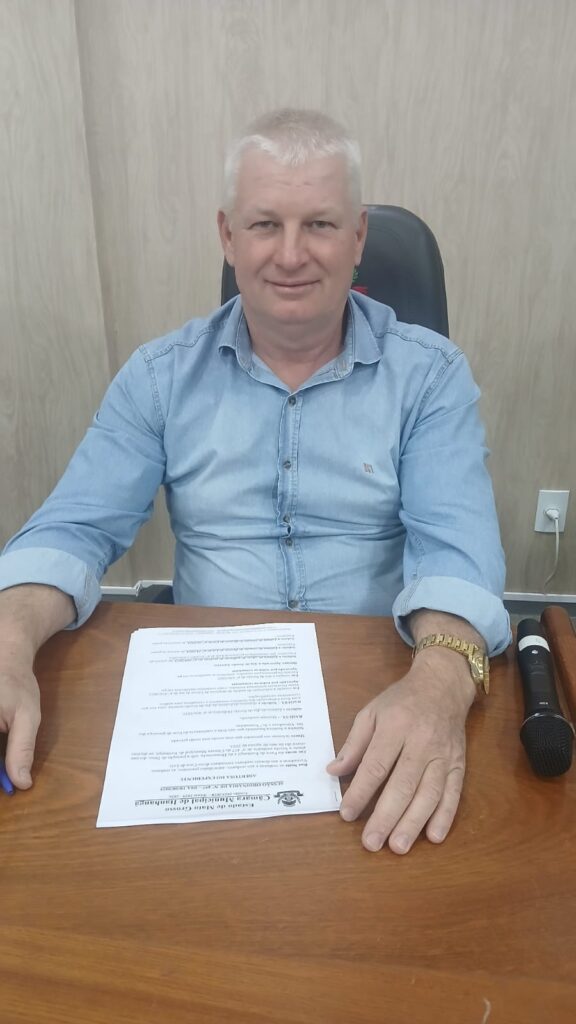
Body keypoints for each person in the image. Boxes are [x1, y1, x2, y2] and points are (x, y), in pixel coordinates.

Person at [0, 108, 510, 854]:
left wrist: (439, 685)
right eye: (266, 224)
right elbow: (73, 528)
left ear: (358, 237)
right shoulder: (159, 377)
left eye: (320, 225)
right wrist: (9, 641)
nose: (291, 254)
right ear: (227, 236)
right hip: (204, 717)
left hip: (380, 695)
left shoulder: (429, 377)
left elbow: (458, 554)